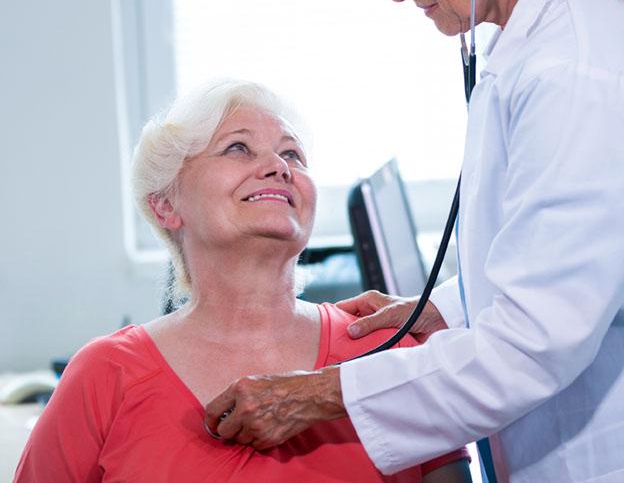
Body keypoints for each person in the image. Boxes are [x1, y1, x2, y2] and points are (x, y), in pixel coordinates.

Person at [203, 0, 624, 482]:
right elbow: (565, 256)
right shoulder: (534, 41)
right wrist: (448, 308)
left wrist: (322, 395)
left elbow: (532, 345)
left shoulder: (573, 68)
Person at [13, 79, 471, 482]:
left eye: (292, 153)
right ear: (166, 205)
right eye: (238, 148)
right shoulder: (103, 376)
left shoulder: (387, 351)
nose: (278, 165)